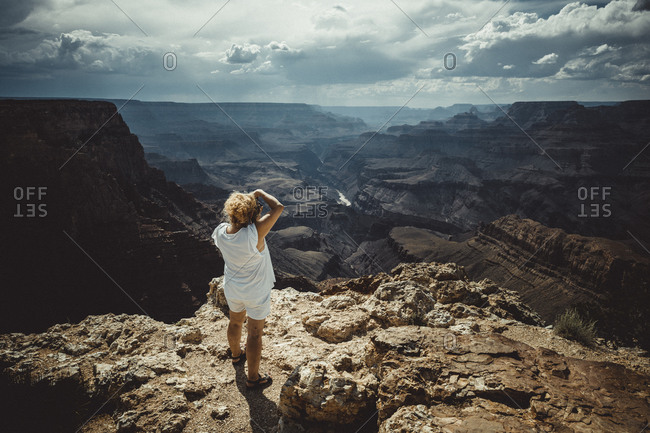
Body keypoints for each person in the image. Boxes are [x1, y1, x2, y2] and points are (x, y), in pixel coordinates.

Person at [211, 189, 284, 390]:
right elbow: (278, 207)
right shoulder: (256, 233)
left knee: (235, 321)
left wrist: (248, 206)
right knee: (254, 334)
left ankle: (236, 355)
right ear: (253, 214)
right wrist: (259, 193)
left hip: (233, 288)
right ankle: (253, 378)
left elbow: (235, 230)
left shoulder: (220, 231)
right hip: (256, 292)